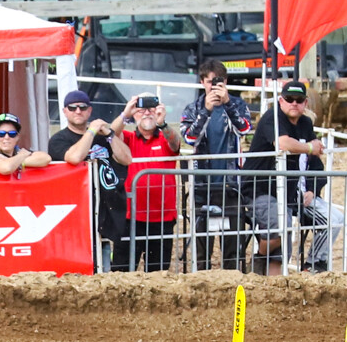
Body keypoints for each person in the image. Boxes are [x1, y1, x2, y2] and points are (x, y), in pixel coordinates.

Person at [239, 80, 326, 275]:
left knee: (285, 240)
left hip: (287, 193)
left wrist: (312, 188)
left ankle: (310, 266)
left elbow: (314, 162)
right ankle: (260, 258)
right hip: (257, 188)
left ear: (305, 103)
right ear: (280, 101)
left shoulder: (305, 123)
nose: (294, 103)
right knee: (280, 227)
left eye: (299, 99)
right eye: (289, 99)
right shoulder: (272, 117)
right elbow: (283, 143)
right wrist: (311, 147)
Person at [178, 62, 253, 271]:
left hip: (231, 185)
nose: (214, 87)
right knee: (202, 248)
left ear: (226, 82)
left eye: (218, 81)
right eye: (210, 82)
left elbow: (245, 129)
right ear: (202, 83)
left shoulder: (237, 104)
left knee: (232, 246)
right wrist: (207, 111)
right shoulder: (193, 108)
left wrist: (228, 103)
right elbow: (190, 138)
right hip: (203, 185)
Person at [51, 90, 125, 271]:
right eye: (73, 107)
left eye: (82, 107)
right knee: (77, 266)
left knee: (103, 257)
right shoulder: (58, 139)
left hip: (105, 207)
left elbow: (126, 158)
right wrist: (91, 131)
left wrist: (109, 134)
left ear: (90, 111)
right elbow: (75, 157)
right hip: (75, 211)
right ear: (64, 111)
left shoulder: (103, 137)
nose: (78, 111)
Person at [115, 94, 181, 272]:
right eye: (141, 109)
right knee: (121, 273)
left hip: (162, 218)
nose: (147, 113)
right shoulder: (127, 137)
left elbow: (176, 145)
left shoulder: (164, 136)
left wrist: (163, 123)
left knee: (158, 274)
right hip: (130, 218)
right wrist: (125, 114)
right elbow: (110, 135)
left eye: (151, 108)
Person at [0, 112, 51, 176]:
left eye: (12, 134)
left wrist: (11, 161)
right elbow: (6, 169)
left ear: (17, 137)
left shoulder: (19, 152)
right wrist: (21, 156)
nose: (6, 137)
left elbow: (46, 158)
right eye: (1, 133)